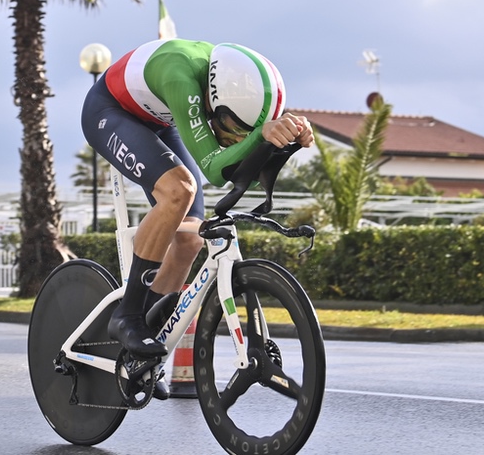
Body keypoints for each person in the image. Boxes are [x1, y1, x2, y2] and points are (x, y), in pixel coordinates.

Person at [80, 39, 314, 365]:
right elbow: (215, 169)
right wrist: (260, 138)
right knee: (178, 191)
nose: (234, 139)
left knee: (190, 240)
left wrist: (285, 135)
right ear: (213, 98)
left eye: (243, 133)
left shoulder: (230, 88)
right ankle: (127, 315)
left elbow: (241, 154)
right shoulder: (181, 75)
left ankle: (141, 346)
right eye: (232, 127)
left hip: (161, 121)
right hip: (109, 112)